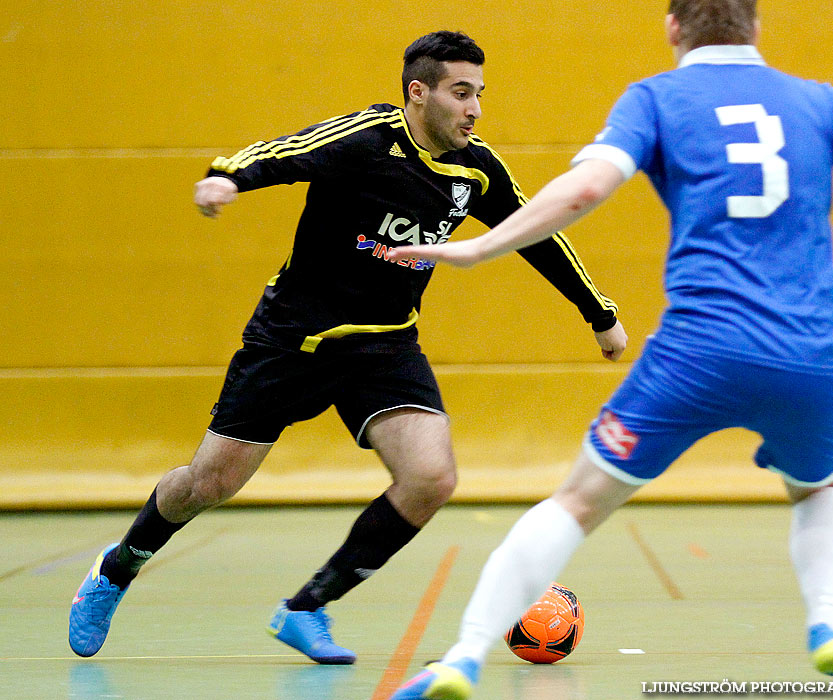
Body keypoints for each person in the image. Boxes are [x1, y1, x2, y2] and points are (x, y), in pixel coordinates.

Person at [67, 31, 627, 663]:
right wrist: (228, 178)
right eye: (460, 93)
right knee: (208, 483)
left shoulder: (478, 171)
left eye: (479, 95)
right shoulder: (364, 141)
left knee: (430, 478)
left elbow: (538, 233)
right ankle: (117, 568)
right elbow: (286, 152)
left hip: (385, 347)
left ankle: (306, 608)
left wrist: (597, 313)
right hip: (292, 340)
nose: (474, 109)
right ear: (419, 93)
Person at [387, 2, 833, 698]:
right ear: (755, 27)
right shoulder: (821, 102)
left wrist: (475, 247)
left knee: (578, 502)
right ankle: (827, 625)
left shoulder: (657, 98)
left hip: (698, 348)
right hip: (811, 350)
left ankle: (462, 656)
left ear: (674, 27)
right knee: (819, 488)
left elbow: (585, 188)